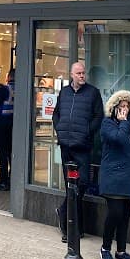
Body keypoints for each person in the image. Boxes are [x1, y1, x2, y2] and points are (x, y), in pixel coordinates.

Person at [52, 62, 104, 241]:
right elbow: (56, 113)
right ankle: (72, 229)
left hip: (82, 147)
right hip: (66, 146)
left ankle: (63, 212)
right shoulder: (64, 92)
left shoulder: (93, 93)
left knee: (82, 184)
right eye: (79, 73)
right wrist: (59, 128)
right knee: (70, 187)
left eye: (84, 73)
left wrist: (87, 131)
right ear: (72, 75)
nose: (82, 76)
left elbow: (99, 117)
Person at [98, 90, 130, 259]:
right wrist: (124, 123)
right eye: (122, 106)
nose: (125, 110)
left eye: (127, 106)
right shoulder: (107, 124)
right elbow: (119, 139)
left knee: (125, 216)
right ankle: (105, 248)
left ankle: (121, 251)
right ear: (114, 108)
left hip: (129, 177)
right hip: (113, 177)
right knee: (115, 213)